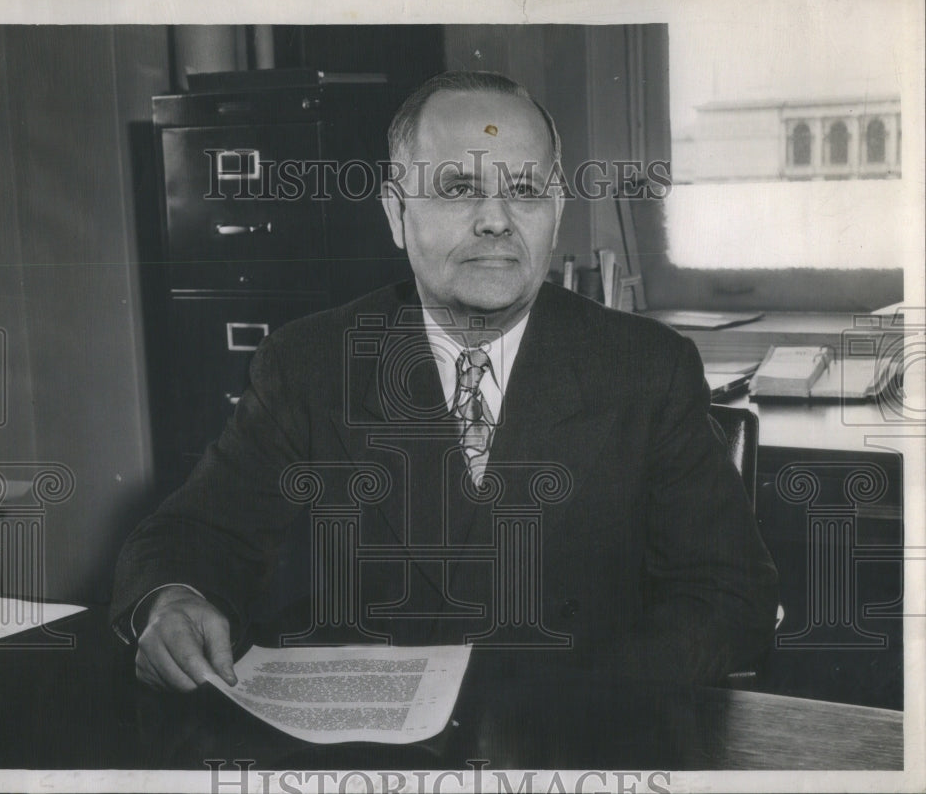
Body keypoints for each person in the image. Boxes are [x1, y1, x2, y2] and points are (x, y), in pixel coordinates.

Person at [111, 70, 779, 692]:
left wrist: (590, 699)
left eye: (524, 190)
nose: (496, 220)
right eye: (459, 189)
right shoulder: (309, 363)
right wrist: (175, 597)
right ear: (396, 214)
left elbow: (730, 596)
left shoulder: (646, 368)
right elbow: (194, 537)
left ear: (557, 211)